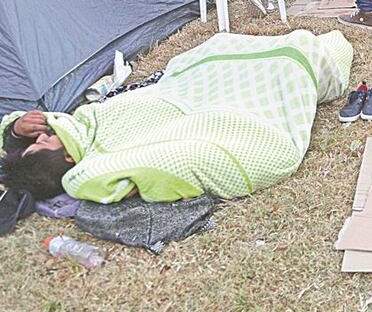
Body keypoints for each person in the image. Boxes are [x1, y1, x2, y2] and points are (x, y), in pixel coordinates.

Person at [0, 30, 354, 203]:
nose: (42, 134)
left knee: (219, 44)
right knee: (295, 53)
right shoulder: (91, 166)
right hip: (199, 107)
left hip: (179, 89)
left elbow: (12, 131)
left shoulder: (78, 126)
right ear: (64, 158)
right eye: (40, 144)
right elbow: (175, 157)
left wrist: (14, 130)